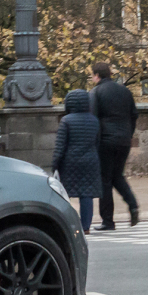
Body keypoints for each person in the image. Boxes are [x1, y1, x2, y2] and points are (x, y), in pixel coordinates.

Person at [88, 62, 140, 230]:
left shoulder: (96, 92)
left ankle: (108, 221)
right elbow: (134, 115)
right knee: (117, 175)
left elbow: (93, 118)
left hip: (106, 141)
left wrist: (95, 142)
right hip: (124, 140)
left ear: (97, 75)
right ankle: (132, 204)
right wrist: (128, 134)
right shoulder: (125, 91)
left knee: (105, 180)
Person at [51, 89, 101, 234]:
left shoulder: (66, 120)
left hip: (70, 162)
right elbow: (97, 142)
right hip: (90, 161)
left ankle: (68, 223)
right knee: (86, 194)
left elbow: (60, 146)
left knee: (65, 194)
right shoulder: (94, 120)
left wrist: (55, 164)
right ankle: (86, 227)